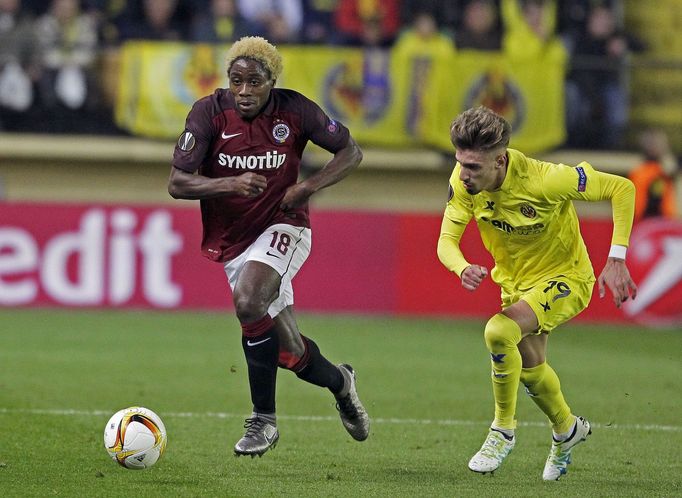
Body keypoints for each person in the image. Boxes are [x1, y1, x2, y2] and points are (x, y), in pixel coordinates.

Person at [168, 36, 369, 457]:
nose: (244, 91)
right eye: (236, 81)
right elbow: (178, 182)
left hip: (285, 225)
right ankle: (342, 384)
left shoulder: (295, 109)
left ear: (271, 81)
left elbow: (350, 151)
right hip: (235, 238)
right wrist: (230, 183)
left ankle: (263, 421)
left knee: (248, 300)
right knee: (290, 352)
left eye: (254, 82)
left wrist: (307, 187)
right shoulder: (208, 113)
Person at [437, 106, 637, 480]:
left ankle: (502, 430)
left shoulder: (546, 179)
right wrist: (462, 267)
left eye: (474, 167)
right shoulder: (464, 182)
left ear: (500, 160)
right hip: (515, 284)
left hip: (567, 278)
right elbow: (446, 241)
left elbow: (621, 188)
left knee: (499, 332)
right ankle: (567, 429)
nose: (464, 174)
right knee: (531, 371)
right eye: (460, 162)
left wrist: (617, 258)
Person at [629, 128, 678, 222]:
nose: (654, 147)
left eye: (658, 144)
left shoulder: (666, 170)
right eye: (651, 144)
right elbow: (637, 204)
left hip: (664, 220)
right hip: (642, 221)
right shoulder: (639, 172)